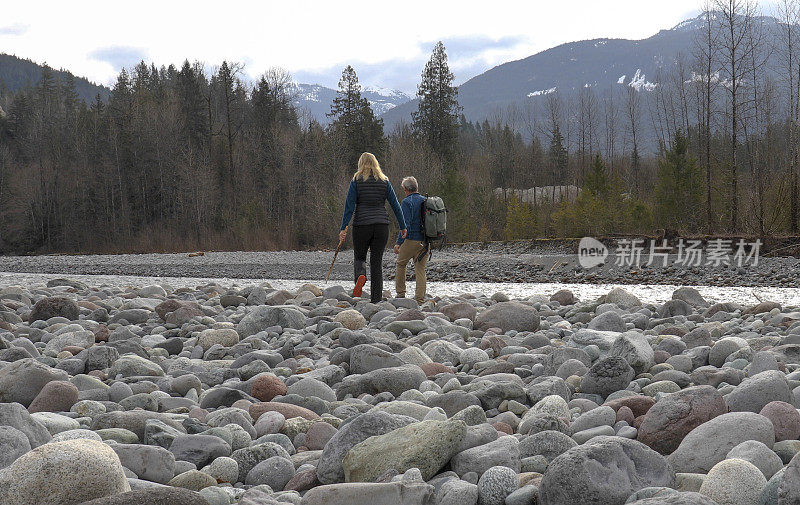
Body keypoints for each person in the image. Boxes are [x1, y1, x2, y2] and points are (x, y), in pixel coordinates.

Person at [339, 152, 407, 302]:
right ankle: (376, 299)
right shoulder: (384, 181)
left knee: (360, 257)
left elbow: (349, 206)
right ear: (376, 163)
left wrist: (343, 227)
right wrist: (403, 226)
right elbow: (395, 205)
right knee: (377, 263)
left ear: (360, 164)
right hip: (381, 226)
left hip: (362, 225)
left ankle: (360, 275)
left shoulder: (356, 180)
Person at [393, 176, 428, 305]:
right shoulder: (425, 201)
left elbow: (404, 225)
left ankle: (401, 294)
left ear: (405, 189)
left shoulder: (407, 202)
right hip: (425, 241)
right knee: (420, 269)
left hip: (411, 239)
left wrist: (398, 243)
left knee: (401, 264)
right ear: (416, 187)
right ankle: (419, 299)